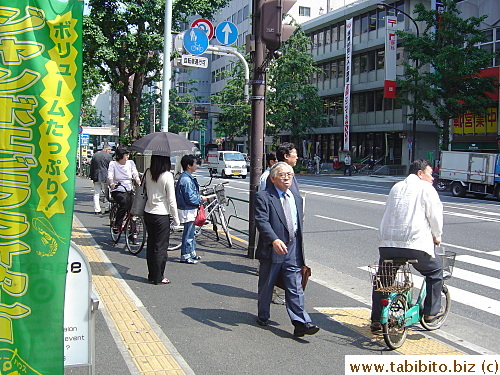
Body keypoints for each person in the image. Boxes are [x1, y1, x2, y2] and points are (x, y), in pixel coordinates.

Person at [370, 159, 444, 333]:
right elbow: (435, 216)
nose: (432, 178)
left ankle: (376, 319)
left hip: (388, 244)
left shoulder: (396, 187)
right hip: (414, 244)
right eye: (430, 174)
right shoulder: (426, 188)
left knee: (384, 280)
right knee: (435, 271)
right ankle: (431, 313)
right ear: (420, 173)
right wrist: (437, 237)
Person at [255, 162, 319, 338]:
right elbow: (261, 221)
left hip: (292, 249)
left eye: (289, 175)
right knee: (267, 284)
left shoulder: (296, 197)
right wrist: (274, 239)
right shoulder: (264, 196)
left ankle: (301, 322)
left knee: (295, 286)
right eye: (282, 175)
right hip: (273, 248)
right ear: (273, 178)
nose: (286, 178)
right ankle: (263, 315)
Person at [143, 155, 180, 285]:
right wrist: (176, 219)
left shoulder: (148, 172)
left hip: (148, 212)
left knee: (151, 244)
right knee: (161, 247)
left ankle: (151, 274)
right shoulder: (167, 175)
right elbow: (171, 200)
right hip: (161, 215)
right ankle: (159, 277)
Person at [175, 155, 207, 264]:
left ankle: (191, 252)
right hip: (187, 209)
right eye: (195, 163)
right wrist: (200, 198)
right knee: (188, 233)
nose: (197, 165)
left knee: (191, 233)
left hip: (188, 209)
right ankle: (185, 255)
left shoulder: (186, 178)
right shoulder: (186, 180)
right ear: (189, 166)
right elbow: (190, 198)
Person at [108, 148, 141, 233]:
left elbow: (135, 173)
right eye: (126, 155)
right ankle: (117, 225)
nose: (127, 157)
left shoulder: (130, 163)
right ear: (120, 156)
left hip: (129, 189)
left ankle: (133, 230)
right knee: (123, 204)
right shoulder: (113, 164)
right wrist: (112, 183)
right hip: (118, 189)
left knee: (134, 207)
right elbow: (110, 175)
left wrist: (138, 180)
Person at [89, 145, 112, 214]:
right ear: (107, 150)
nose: (110, 151)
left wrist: (92, 176)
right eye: (110, 150)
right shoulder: (108, 156)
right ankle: (107, 208)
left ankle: (97, 209)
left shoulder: (95, 155)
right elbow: (111, 167)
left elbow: (91, 167)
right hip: (106, 176)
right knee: (107, 193)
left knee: (96, 193)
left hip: (96, 176)